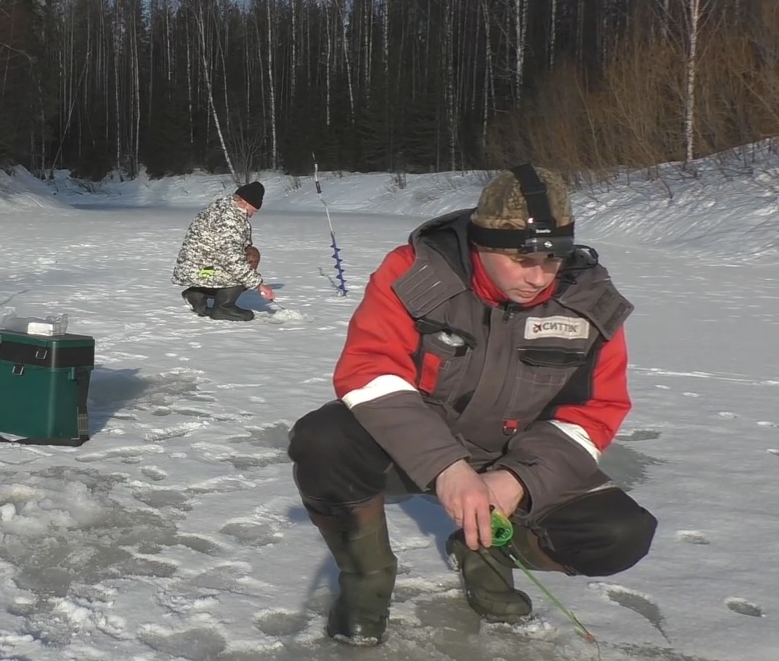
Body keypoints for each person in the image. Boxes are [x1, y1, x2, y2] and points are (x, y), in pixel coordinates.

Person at [286, 165, 657, 646]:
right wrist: (446, 466)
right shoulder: (416, 273)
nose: (539, 276)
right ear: (482, 245)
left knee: (619, 534)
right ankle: (366, 580)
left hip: (518, 453)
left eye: (554, 258)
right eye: (522, 259)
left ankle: (486, 551)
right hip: (419, 448)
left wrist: (518, 479)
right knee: (323, 440)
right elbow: (370, 371)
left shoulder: (590, 302)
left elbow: (592, 413)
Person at [171, 181, 275, 321]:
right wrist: (259, 285)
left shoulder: (224, 206)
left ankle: (197, 294)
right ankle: (224, 308)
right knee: (247, 261)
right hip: (202, 271)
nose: (252, 214)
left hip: (199, 270)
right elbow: (231, 261)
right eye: (253, 210)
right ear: (244, 202)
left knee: (245, 256)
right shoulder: (229, 220)